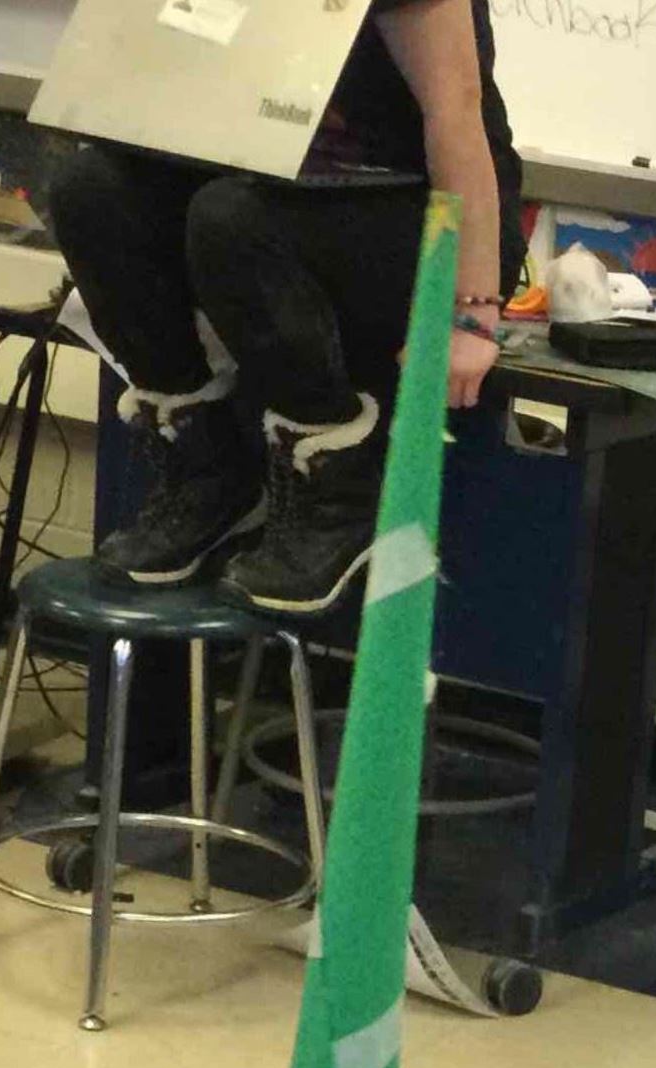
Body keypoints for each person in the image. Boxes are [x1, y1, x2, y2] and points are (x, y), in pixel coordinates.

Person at [50, 0, 523, 614]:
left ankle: (340, 495)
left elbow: (456, 110)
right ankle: (208, 469)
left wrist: (469, 310)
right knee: (90, 190)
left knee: (230, 218)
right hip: (276, 186)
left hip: (420, 211)